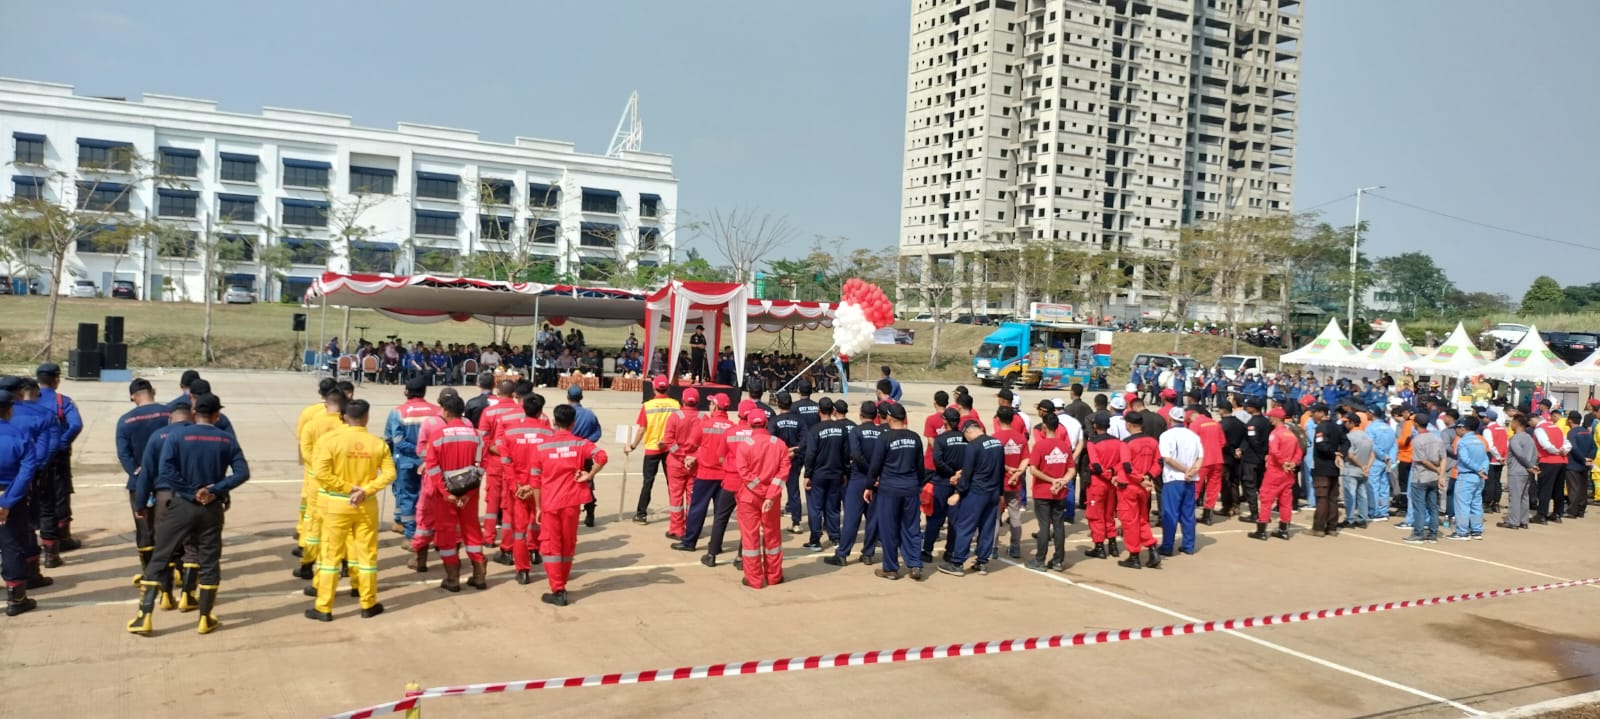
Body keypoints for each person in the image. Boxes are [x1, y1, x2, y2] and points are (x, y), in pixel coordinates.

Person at [127, 394, 249, 636]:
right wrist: (214, 489)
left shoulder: (176, 436)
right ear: (217, 415)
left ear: (195, 414)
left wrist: (191, 492)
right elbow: (242, 473)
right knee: (209, 560)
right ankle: (204, 617)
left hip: (181, 504)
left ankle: (145, 616)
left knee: (161, 555)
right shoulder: (226, 440)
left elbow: (165, 470)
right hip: (211, 508)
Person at [304, 400, 396, 622]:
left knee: (331, 556)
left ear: (345, 417)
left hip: (337, 504)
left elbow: (321, 473)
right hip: (366, 505)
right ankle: (368, 602)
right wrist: (365, 489)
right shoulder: (377, 444)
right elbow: (389, 474)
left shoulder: (331, 442)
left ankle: (324, 607)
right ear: (366, 418)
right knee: (367, 555)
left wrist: (347, 488)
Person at [527, 404, 609, 606]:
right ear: (573, 423)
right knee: (568, 543)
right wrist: (589, 475)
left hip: (551, 503)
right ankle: (562, 581)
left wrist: (538, 507)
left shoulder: (542, 447)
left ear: (554, 422)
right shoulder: (581, 444)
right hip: (572, 502)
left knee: (551, 545)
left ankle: (558, 589)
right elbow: (602, 457)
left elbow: (535, 481)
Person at [421, 394, 487, 593]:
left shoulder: (438, 435)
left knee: (447, 535)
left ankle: (452, 578)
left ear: (446, 412)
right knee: (472, 531)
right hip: (470, 493)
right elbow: (481, 467)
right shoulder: (476, 435)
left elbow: (432, 467)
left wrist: (445, 492)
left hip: (445, 495)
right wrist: (469, 493)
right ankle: (479, 575)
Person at [115, 379, 175, 583]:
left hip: (141, 484)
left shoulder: (125, 421)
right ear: (153, 392)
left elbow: (124, 455)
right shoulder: (170, 415)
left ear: (133, 397)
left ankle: (150, 573)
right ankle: (174, 571)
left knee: (145, 530)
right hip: (170, 482)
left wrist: (137, 472)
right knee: (171, 527)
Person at [867, 402, 926, 581]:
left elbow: (875, 465)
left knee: (889, 529)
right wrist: (918, 485)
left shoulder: (884, 439)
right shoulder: (914, 438)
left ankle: (891, 568)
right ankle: (915, 564)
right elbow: (920, 467)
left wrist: (869, 485)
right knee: (911, 527)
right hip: (910, 488)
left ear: (889, 417)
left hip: (889, 489)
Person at [295, 389, 349, 581]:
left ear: (326, 403)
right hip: (341, 481)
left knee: (314, 523)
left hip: (317, 480)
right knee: (342, 526)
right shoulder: (347, 427)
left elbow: (305, 450)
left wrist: (319, 468)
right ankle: (345, 563)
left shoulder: (312, 425)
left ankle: (308, 563)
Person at [498, 393, 552, 584]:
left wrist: (516, 485)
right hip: (539, 487)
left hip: (518, 488)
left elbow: (506, 462)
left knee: (519, 530)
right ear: (540, 412)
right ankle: (535, 550)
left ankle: (522, 570)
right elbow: (549, 463)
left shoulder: (510, 432)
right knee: (537, 521)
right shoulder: (548, 433)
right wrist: (533, 485)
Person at [938, 420, 1003, 577]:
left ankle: (957, 563)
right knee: (987, 528)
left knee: (965, 527)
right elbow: (1001, 470)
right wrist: (1001, 494)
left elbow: (967, 473)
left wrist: (958, 492)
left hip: (976, 493)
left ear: (968, 432)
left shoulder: (973, 446)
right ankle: (982, 562)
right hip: (993, 492)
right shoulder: (997, 443)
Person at [384, 379, 439, 558]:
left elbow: (395, 440)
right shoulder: (436, 411)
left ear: (406, 391)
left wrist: (415, 452)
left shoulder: (397, 412)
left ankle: (411, 536)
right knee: (429, 498)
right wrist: (425, 453)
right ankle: (429, 533)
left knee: (407, 497)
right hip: (431, 462)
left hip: (407, 461)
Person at [34, 363, 83, 562]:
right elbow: (76, 424)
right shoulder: (63, 401)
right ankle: (62, 537)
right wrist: (62, 442)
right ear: (56, 379)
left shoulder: (26, 401)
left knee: (35, 496)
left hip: (33, 458)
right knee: (60, 494)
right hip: (58, 457)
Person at [733, 408, 788, 588]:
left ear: (749, 424)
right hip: (771, 499)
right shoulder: (779, 444)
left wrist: (759, 489)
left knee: (750, 539)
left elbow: (744, 473)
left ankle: (754, 578)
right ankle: (774, 576)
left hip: (749, 497)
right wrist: (770, 494)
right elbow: (783, 472)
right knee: (772, 537)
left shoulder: (744, 446)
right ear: (766, 423)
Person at [0, 390, 43, 616]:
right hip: (10, 498)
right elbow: (27, 472)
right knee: (13, 545)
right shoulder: (20, 436)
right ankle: (16, 599)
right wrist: (6, 502)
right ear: (9, 410)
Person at [673, 394, 733, 555]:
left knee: (697, 508)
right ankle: (715, 545)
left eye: (711, 404)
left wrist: (691, 458)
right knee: (720, 514)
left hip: (705, 474)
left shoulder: (705, 424)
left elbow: (693, 444)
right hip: (724, 476)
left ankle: (689, 541)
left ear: (715, 406)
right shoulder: (731, 427)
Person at [829, 401, 885, 567]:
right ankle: (868, 553)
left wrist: (868, 473)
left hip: (859, 478)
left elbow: (856, 455)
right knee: (873, 518)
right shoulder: (881, 432)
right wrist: (875, 474)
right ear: (875, 416)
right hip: (876, 480)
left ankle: (842, 554)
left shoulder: (856, 431)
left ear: (861, 414)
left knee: (852, 518)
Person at [1023, 412, 1074, 571]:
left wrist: (1053, 481)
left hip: (1043, 492)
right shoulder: (1064, 446)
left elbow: (1033, 470)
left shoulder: (1040, 446)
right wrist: (1062, 481)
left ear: (1044, 426)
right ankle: (1058, 560)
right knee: (1058, 525)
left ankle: (1040, 559)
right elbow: (1071, 470)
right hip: (1059, 492)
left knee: (1044, 526)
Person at [627, 376, 680, 525]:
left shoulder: (648, 406)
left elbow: (641, 430)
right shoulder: (675, 404)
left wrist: (632, 446)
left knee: (648, 482)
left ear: (654, 388)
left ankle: (641, 514)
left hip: (652, 448)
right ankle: (677, 513)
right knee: (673, 483)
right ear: (667, 388)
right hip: (670, 449)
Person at [802, 397, 849, 551]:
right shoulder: (841, 429)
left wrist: (807, 475)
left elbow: (810, 454)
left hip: (819, 474)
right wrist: (844, 471)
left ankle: (815, 540)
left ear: (819, 411)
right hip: (836, 473)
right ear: (833, 411)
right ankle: (835, 538)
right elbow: (845, 452)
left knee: (816, 508)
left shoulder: (815, 430)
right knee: (833, 507)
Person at [1117, 412, 1161, 569]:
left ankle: (1134, 555)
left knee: (1129, 522)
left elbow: (1127, 467)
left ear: (1129, 425)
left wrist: (1140, 479)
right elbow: (1158, 463)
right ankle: (1152, 548)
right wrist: (1148, 477)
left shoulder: (1126, 443)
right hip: (1144, 488)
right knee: (1142, 519)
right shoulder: (1152, 441)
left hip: (1129, 486)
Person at [1157, 407, 1203, 557]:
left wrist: (1185, 470)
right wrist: (1192, 471)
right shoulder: (1193, 436)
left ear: (1170, 419)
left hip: (1174, 478)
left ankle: (1167, 546)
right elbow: (1200, 458)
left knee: (1170, 513)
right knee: (1188, 513)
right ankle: (1188, 545)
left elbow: (1168, 458)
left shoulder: (1166, 435)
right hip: (1190, 479)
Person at [1251, 407, 1301, 540]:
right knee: (1285, 501)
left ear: (1276, 418)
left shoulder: (1275, 434)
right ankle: (1283, 530)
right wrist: (1293, 463)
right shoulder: (1291, 434)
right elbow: (1298, 452)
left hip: (1275, 471)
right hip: (1288, 473)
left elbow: (1274, 450)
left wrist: (1283, 462)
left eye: (1271, 417)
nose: (1270, 420)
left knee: (1266, 499)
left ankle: (1261, 530)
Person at [660, 388, 703, 541]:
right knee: (693, 498)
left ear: (683, 400)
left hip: (676, 463)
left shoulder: (675, 417)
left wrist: (682, 456)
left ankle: (677, 529)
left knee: (676, 498)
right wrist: (692, 457)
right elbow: (705, 444)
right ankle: (692, 528)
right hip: (695, 464)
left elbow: (669, 441)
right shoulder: (703, 418)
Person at [924, 408, 966, 562]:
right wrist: (958, 474)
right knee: (954, 520)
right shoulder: (965, 438)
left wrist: (950, 474)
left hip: (942, 482)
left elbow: (938, 461)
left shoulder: (940, 439)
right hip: (959, 484)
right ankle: (950, 552)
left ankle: (927, 551)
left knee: (935, 518)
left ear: (945, 422)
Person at [1082, 414, 1123, 559]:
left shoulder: (1092, 443)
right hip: (1111, 483)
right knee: (1109, 514)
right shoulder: (1117, 442)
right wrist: (1112, 472)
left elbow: (1095, 463)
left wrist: (1105, 474)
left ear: (1095, 426)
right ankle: (1113, 545)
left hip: (1097, 483)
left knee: (1095, 515)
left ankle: (1099, 546)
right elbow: (1122, 462)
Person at [992, 406, 1029, 559]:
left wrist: (1008, 470)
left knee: (994, 517)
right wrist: (1018, 472)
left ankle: (992, 548)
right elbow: (1027, 458)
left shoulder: (995, 438)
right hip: (1015, 484)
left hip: (998, 484)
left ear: (998, 419)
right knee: (1015, 516)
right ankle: (1015, 547)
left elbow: (993, 461)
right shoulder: (1020, 438)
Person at [771, 392, 808, 534]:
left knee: (774, 489)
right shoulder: (799, 420)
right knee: (793, 491)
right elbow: (805, 439)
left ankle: (771, 521)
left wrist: (783, 452)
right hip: (795, 459)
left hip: (778, 460)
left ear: (778, 404)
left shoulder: (774, 421)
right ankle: (796, 522)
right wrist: (795, 451)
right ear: (791, 404)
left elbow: (771, 439)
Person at [1404, 415, 1445, 543]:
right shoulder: (1437, 439)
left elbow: (1422, 460)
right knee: (1433, 507)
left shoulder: (1417, 440)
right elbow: (1443, 458)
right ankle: (1433, 534)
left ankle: (1418, 533)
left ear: (1416, 424)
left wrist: (1436, 470)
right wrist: (1441, 475)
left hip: (1420, 477)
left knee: (1419, 507)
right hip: (1433, 478)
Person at [566, 386, 603, 527]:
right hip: (585, 453)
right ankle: (590, 513)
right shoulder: (590, 414)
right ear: (581, 397)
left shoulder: (565, 413)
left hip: (568, 453)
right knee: (587, 483)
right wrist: (586, 442)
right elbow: (597, 433)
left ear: (568, 397)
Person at [1309, 403, 1347, 537]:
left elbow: (1321, 446)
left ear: (1320, 412)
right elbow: (1345, 442)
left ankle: (1318, 528)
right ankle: (1332, 527)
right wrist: (1340, 453)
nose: (1312, 415)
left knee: (1322, 498)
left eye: (1313, 412)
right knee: (1332, 498)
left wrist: (1334, 453)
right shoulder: (1336, 426)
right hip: (1333, 468)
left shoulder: (1321, 427)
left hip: (1323, 466)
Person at [1449, 416, 1489, 540]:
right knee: (1476, 503)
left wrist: (1478, 469)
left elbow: (1465, 459)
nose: (1456, 430)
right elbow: (1486, 459)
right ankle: (1477, 530)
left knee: (1462, 504)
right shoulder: (1480, 441)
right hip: (1479, 477)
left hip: (1467, 475)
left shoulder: (1463, 442)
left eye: (1457, 428)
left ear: (1462, 428)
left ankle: (1462, 531)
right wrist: (1483, 471)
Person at [1187, 405, 1225, 525]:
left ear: (1191, 417)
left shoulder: (1195, 425)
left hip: (1202, 461)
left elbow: (1190, 445)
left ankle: (1189, 515)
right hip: (1217, 460)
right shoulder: (1215, 423)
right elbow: (1223, 442)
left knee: (1195, 488)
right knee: (1213, 488)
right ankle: (1207, 515)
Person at [1530, 412, 1570, 524]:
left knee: (1545, 489)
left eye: (1530, 422)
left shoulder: (1539, 429)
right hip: (1562, 461)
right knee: (1558, 488)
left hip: (1548, 461)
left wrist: (1557, 451)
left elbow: (1545, 445)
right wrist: (1563, 451)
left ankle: (1541, 514)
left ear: (1534, 419)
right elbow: (1567, 443)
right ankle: (1557, 513)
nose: (1530, 424)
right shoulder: (1556, 428)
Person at [1236, 400, 1271, 523]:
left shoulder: (1252, 423)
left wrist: (1259, 454)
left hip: (1252, 459)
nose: (1246, 408)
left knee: (1250, 486)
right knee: (1262, 487)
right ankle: (1265, 513)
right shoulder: (1266, 421)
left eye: (1248, 406)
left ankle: (1254, 514)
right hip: (1262, 458)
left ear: (1253, 408)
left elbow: (1253, 440)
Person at [1500, 413, 1536, 530]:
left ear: (1516, 423)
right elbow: (1535, 454)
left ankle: (1513, 521)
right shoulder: (1529, 438)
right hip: (1527, 471)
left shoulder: (1515, 438)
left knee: (1515, 496)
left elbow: (1519, 454)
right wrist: (1532, 466)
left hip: (1517, 470)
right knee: (1524, 496)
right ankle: (1523, 520)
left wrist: (1529, 465)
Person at [1340, 408, 1374, 529]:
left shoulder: (1349, 437)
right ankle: (1362, 519)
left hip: (1351, 469)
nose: (1345, 424)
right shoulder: (1367, 437)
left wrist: (1361, 465)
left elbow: (1350, 454)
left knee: (1350, 495)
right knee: (1362, 495)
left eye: (1346, 422)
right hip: (1363, 471)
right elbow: (1372, 454)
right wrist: (1367, 467)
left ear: (1352, 423)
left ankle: (1350, 519)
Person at [1366, 406, 1397, 521]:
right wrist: (1390, 459)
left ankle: (1374, 511)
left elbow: (1372, 445)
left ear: (1371, 413)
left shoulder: (1370, 428)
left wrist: (1383, 456)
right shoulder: (1389, 428)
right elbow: (1395, 445)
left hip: (1375, 460)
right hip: (1387, 461)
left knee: (1373, 486)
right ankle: (1383, 511)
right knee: (1384, 486)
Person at [1564, 411, 1593, 519]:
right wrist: (1589, 459)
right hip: (1585, 465)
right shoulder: (1586, 432)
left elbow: (1573, 447)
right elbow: (1594, 447)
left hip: (1573, 464)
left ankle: (1572, 511)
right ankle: (1581, 510)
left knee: (1573, 488)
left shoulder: (1572, 433)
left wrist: (1582, 459)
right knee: (1583, 488)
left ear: (1570, 420)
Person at [1480, 409, 1507, 515]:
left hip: (1492, 459)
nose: (1482, 419)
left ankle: (1487, 503)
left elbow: (1490, 446)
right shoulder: (1502, 429)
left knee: (1490, 482)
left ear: (1488, 418)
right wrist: (1503, 457)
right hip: (1501, 459)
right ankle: (1496, 502)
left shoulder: (1488, 430)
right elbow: (1506, 443)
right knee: (1497, 481)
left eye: (1484, 417)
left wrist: (1498, 456)